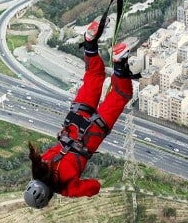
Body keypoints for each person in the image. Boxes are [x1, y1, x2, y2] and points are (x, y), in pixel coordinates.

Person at [24, 20, 141, 209]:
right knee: (94, 75)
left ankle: (119, 63)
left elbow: (94, 187)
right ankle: (89, 43)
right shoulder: (42, 162)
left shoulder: (67, 188)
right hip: (74, 118)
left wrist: (73, 184)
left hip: (92, 133)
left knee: (121, 93)